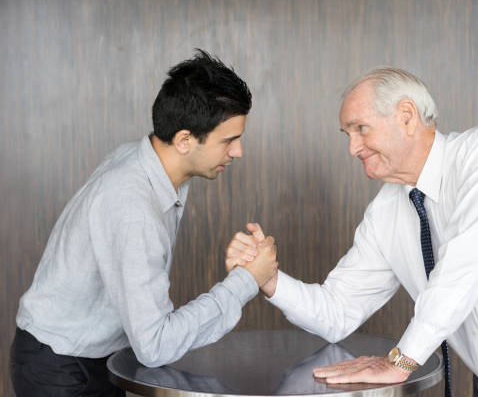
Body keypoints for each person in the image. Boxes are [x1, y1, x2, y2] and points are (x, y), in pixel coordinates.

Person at [226, 68, 478, 396]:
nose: (352, 148)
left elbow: (468, 265)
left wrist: (401, 360)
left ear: (407, 116)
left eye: (360, 129)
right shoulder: (386, 212)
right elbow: (337, 311)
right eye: (347, 135)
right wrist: (271, 280)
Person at [10, 50, 278, 397]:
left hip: (93, 357)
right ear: (184, 140)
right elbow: (155, 345)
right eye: (228, 140)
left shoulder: (147, 161)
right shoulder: (133, 204)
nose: (238, 151)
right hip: (61, 370)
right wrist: (246, 281)